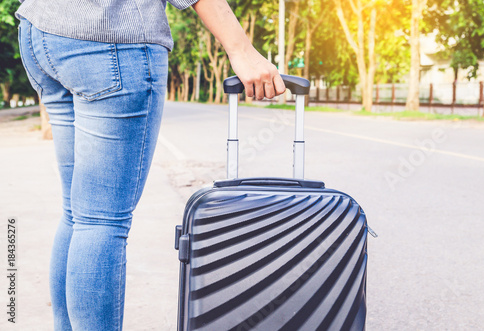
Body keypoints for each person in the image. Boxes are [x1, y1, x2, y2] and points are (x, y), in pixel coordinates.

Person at [15, 0, 286, 329]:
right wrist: (240, 48)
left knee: (78, 214)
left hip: (42, 31)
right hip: (109, 36)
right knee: (100, 222)